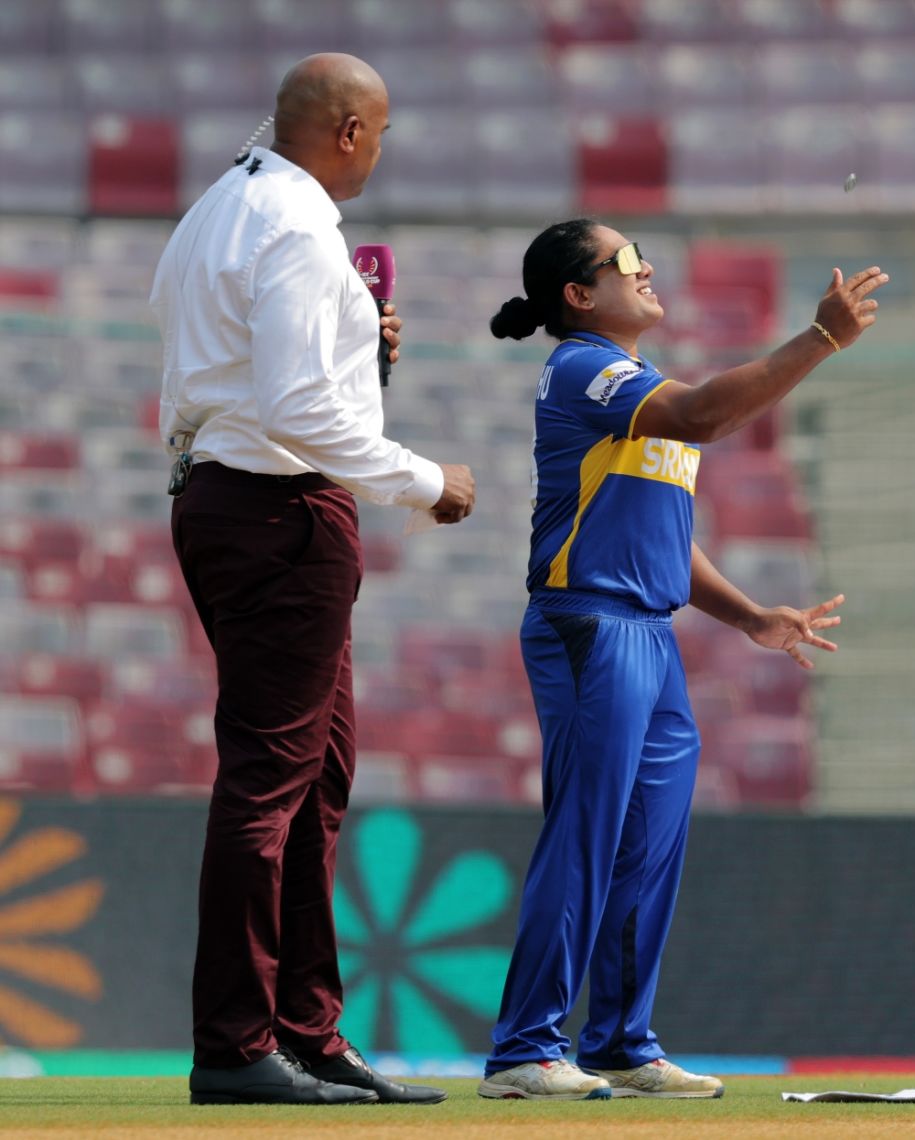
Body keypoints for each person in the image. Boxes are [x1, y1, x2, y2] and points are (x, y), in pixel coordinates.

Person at [476, 219, 888, 1100]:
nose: (648, 268)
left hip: (647, 635)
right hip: (591, 625)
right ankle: (522, 1051)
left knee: (646, 845)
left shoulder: (635, 383)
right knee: (586, 837)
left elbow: (663, 532)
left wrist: (746, 616)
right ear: (582, 295)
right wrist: (819, 338)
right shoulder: (586, 368)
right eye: (629, 261)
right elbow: (707, 414)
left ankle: (622, 1045)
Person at [150, 53, 474, 1106]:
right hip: (277, 509)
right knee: (270, 780)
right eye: (377, 132)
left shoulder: (217, 210)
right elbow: (294, 413)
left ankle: (304, 1034)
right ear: (345, 132)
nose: (379, 151)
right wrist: (428, 480)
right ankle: (238, 1044)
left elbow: (240, 369)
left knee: (315, 778)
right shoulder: (297, 229)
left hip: (226, 494)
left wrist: (350, 350)